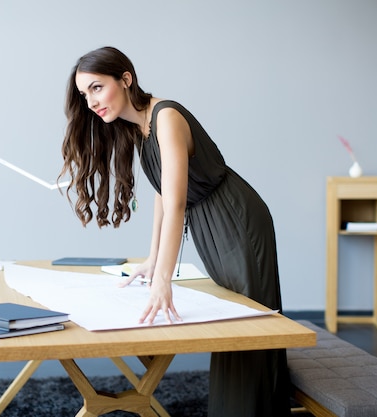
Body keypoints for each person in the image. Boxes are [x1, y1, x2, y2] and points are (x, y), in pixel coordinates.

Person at [59, 46, 291, 417]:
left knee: (250, 328)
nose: (91, 101)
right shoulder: (140, 126)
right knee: (234, 328)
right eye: (85, 94)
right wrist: (153, 260)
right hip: (212, 224)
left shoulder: (165, 117)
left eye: (97, 88)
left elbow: (178, 203)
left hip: (237, 220)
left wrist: (164, 278)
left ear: (126, 79)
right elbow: (162, 196)